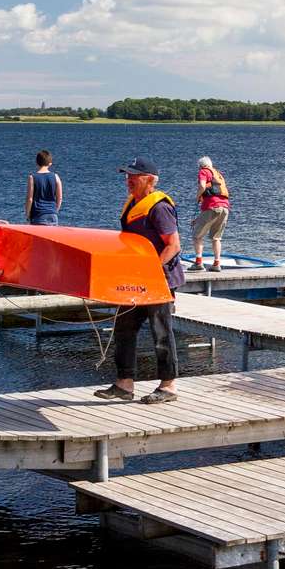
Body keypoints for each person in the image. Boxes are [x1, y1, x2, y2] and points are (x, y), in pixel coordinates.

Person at [95, 157, 185, 405]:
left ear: (150, 180)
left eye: (134, 176)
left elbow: (173, 245)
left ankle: (168, 386)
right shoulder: (133, 204)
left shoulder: (159, 208)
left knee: (161, 332)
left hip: (159, 280)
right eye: (127, 175)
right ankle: (125, 384)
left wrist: (151, 270)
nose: (129, 180)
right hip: (135, 279)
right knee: (124, 328)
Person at [190, 154, 230, 271]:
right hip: (225, 208)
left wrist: (197, 196)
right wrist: (197, 219)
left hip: (212, 206)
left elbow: (202, 186)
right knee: (216, 238)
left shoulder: (203, 171)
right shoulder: (217, 174)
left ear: (201, 166)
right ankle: (217, 264)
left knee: (197, 236)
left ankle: (198, 263)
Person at [24, 149, 63, 225]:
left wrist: (27, 214)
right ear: (50, 163)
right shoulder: (56, 177)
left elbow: (30, 199)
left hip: (38, 215)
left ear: (37, 163)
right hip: (53, 215)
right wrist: (55, 210)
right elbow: (60, 198)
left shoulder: (32, 177)